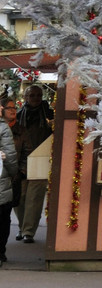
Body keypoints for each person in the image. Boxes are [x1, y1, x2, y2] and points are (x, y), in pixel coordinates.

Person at [11, 84, 53, 244]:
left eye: (38, 95)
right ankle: (22, 227)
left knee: (34, 199)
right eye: (32, 95)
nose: (36, 98)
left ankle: (29, 231)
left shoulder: (49, 115)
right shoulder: (18, 115)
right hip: (21, 161)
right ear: (25, 97)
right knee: (19, 197)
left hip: (41, 160)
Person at [0, 118, 16, 263]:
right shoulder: (3, 127)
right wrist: (12, 173)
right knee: (3, 220)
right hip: (2, 181)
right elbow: (10, 157)